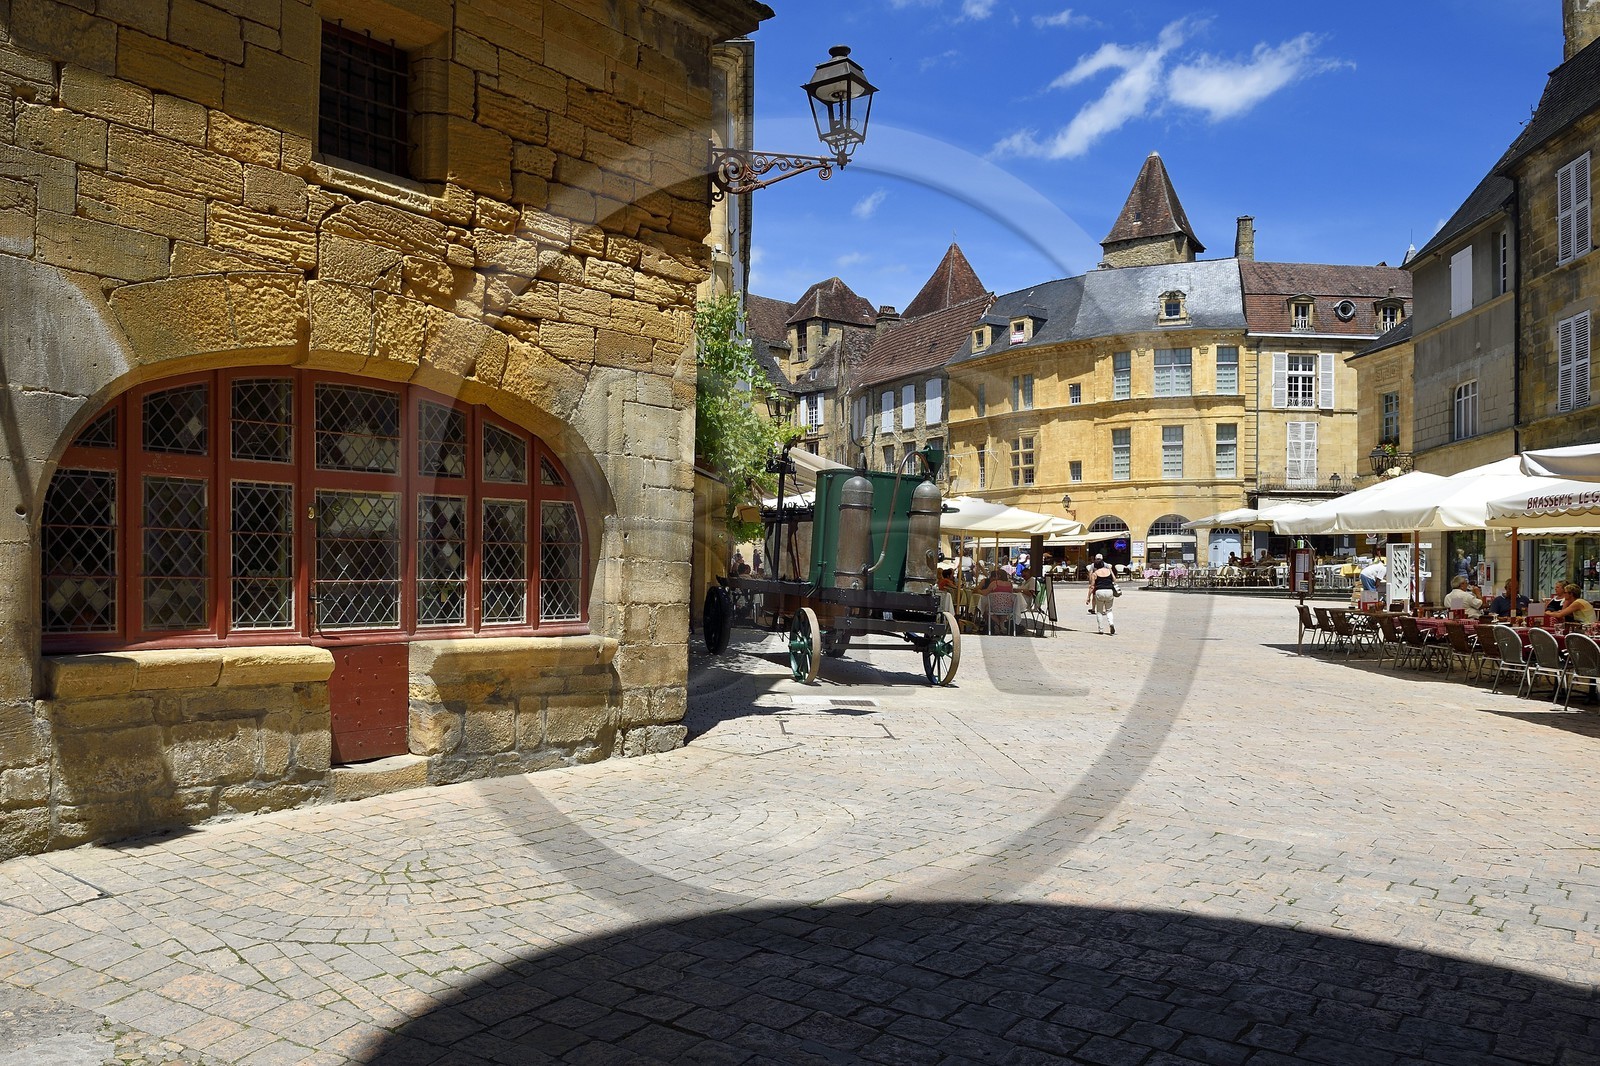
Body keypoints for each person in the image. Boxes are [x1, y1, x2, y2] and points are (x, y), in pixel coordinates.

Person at [1085, 553, 1117, 635]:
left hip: (1099, 591)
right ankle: (1111, 623)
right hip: (1109, 591)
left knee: (1099, 611)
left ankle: (1101, 629)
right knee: (1109, 610)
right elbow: (1114, 579)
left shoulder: (1095, 573)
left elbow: (1092, 586)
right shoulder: (1109, 570)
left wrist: (1088, 597)